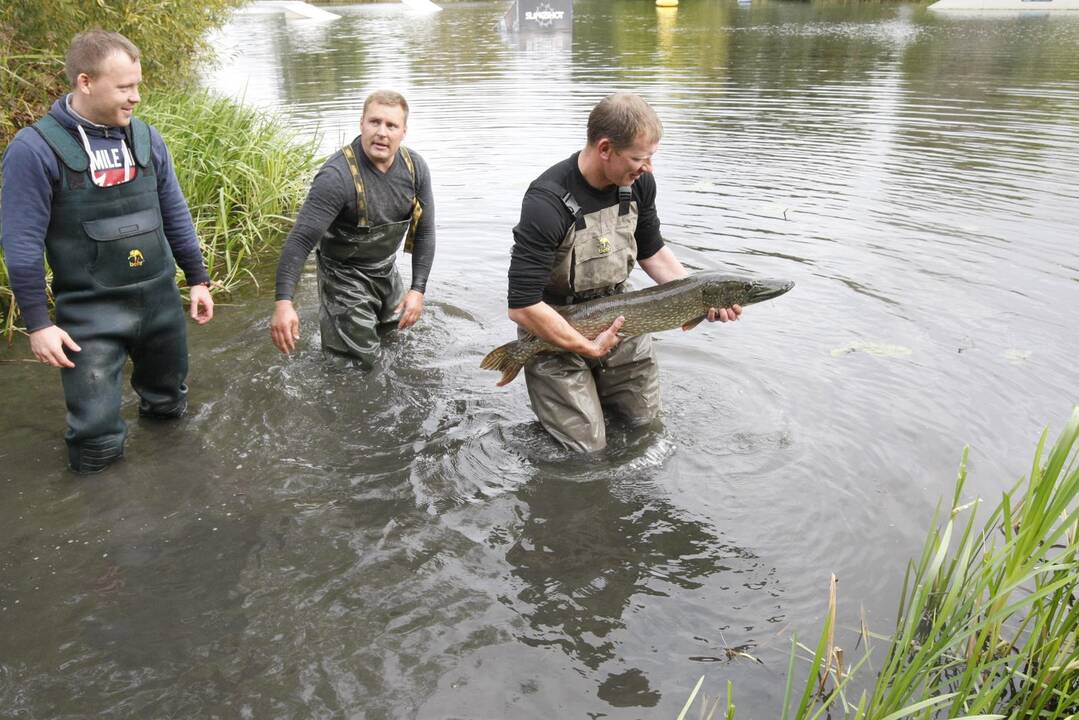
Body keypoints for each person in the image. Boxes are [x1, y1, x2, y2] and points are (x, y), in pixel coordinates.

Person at [0, 30, 214, 474]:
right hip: (90, 318)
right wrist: (39, 324)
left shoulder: (146, 139)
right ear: (85, 82)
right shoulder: (34, 150)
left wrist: (197, 279)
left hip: (160, 305)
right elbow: (21, 244)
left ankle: (176, 493)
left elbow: (174, 212)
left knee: (169, 410)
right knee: (95, 443)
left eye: (137, 85)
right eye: (124, 87)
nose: (136, 97)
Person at [506, 92, 742, 453]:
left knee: (646, 429)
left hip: (622, 317)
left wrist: (701, 296)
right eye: (639, 158)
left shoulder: (639, 184)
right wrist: (586, 346)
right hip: (552, 328)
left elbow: (652, 250)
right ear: (605, 149)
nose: (647, 167)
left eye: (650, 157)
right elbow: (522, 306)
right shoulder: (547, 202)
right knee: (586, 451)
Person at [270, 90, 435, 366]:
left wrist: (417, 290)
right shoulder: (336, 177)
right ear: (362, 124)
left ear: (403, 132)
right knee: (358, 365)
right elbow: (300, 241)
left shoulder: (415, 168)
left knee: (395, 344)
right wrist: (283, 303)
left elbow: (426, 232)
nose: (382, 132)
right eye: (375, 122)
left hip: (385, 270)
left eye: (391, 125)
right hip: (343, 277)